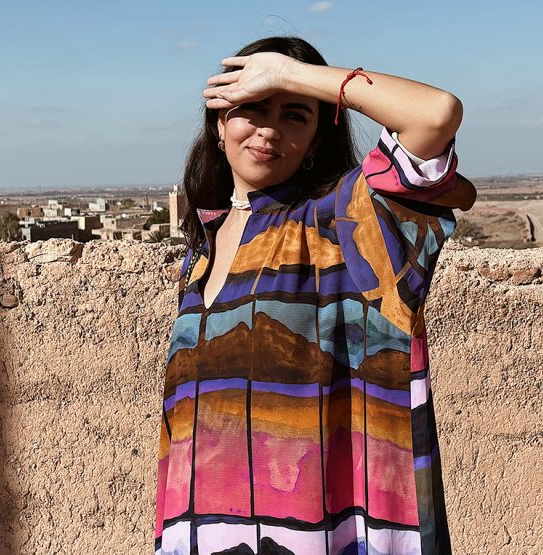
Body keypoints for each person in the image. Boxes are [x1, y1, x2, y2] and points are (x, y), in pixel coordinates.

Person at [155, 36, 476, 555]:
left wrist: (289, 73)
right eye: (252, 108)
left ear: (315, 140)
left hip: (313, 533)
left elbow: (435, 115)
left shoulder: (342, 224)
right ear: (218, 123)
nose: (269, 130)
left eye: (295, 116)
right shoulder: (200, 255)